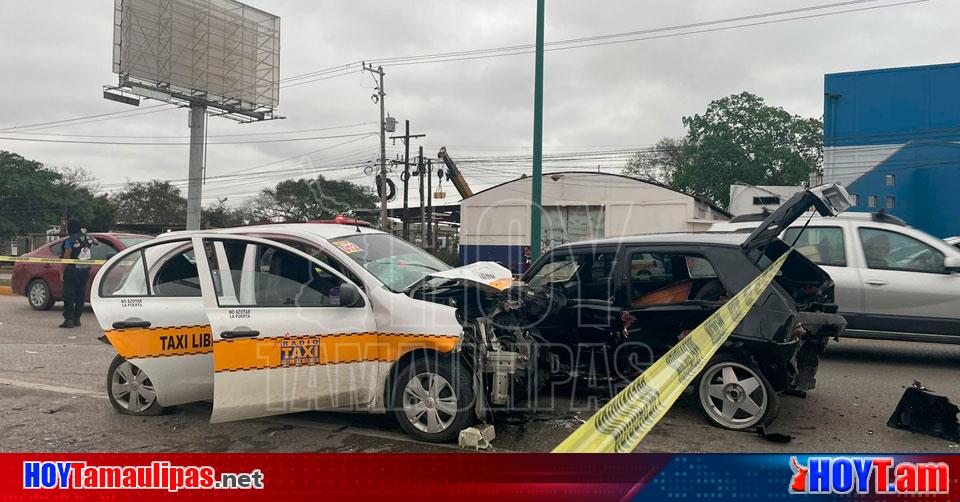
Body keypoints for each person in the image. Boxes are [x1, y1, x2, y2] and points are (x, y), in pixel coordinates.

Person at [59, 220, 99, 328]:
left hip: (72, 271)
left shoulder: (70, 240)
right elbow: (96, 242)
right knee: (80, 294)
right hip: (84, 270)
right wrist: (86, 236)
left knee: (69, 295)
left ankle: (69, 320)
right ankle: (77, 319)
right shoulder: (87, 237)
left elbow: (67, 256)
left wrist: (62, 271)